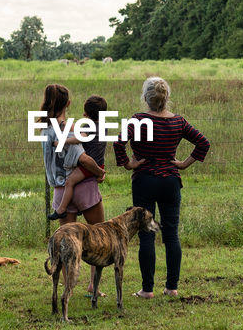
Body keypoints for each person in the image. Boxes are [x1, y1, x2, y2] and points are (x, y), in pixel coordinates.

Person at [113, 76, 210, 298]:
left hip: (145, 180)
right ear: (166, 98)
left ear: (146, 98)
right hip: (170, 181)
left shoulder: (139, 120)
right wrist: (184, 164)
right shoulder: (178, 121)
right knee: (171, 235)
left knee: (147, 235)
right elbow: (203, 142)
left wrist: (129, 164)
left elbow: (118, 142)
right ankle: (171, 287)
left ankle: (147, 289)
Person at [40, 84, 105, 225]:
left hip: (60, 191)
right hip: (84, 187)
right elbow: (83, 159)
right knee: (101, 235)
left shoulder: (44, 130)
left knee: (67, 242)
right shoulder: (69, 129)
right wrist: (99, 172)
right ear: (68, 103)